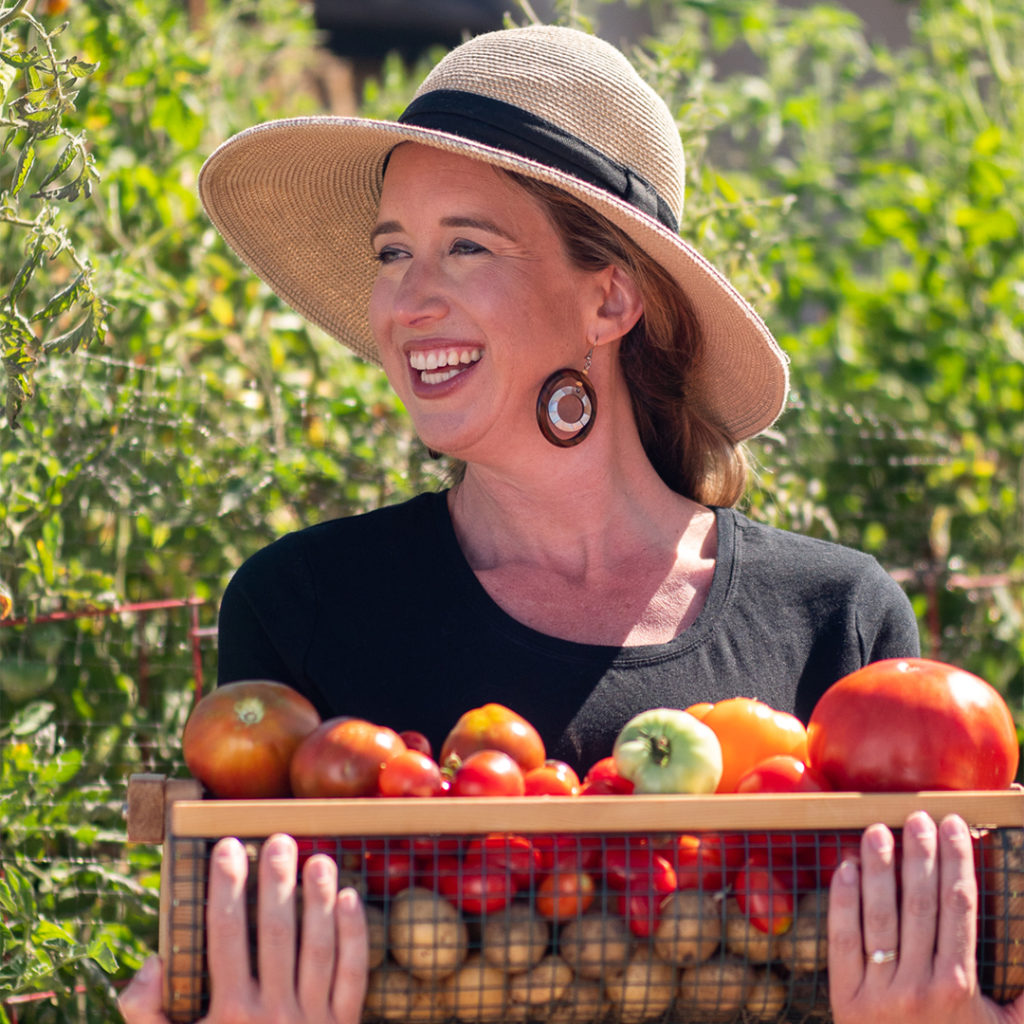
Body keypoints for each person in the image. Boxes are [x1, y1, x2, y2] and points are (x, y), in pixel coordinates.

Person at [120, 23, 1022, 1024]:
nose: (406, 300)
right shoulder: (304, 607)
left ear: (611, 297)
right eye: (392, 252)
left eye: (466, 245)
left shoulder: (835, 623)